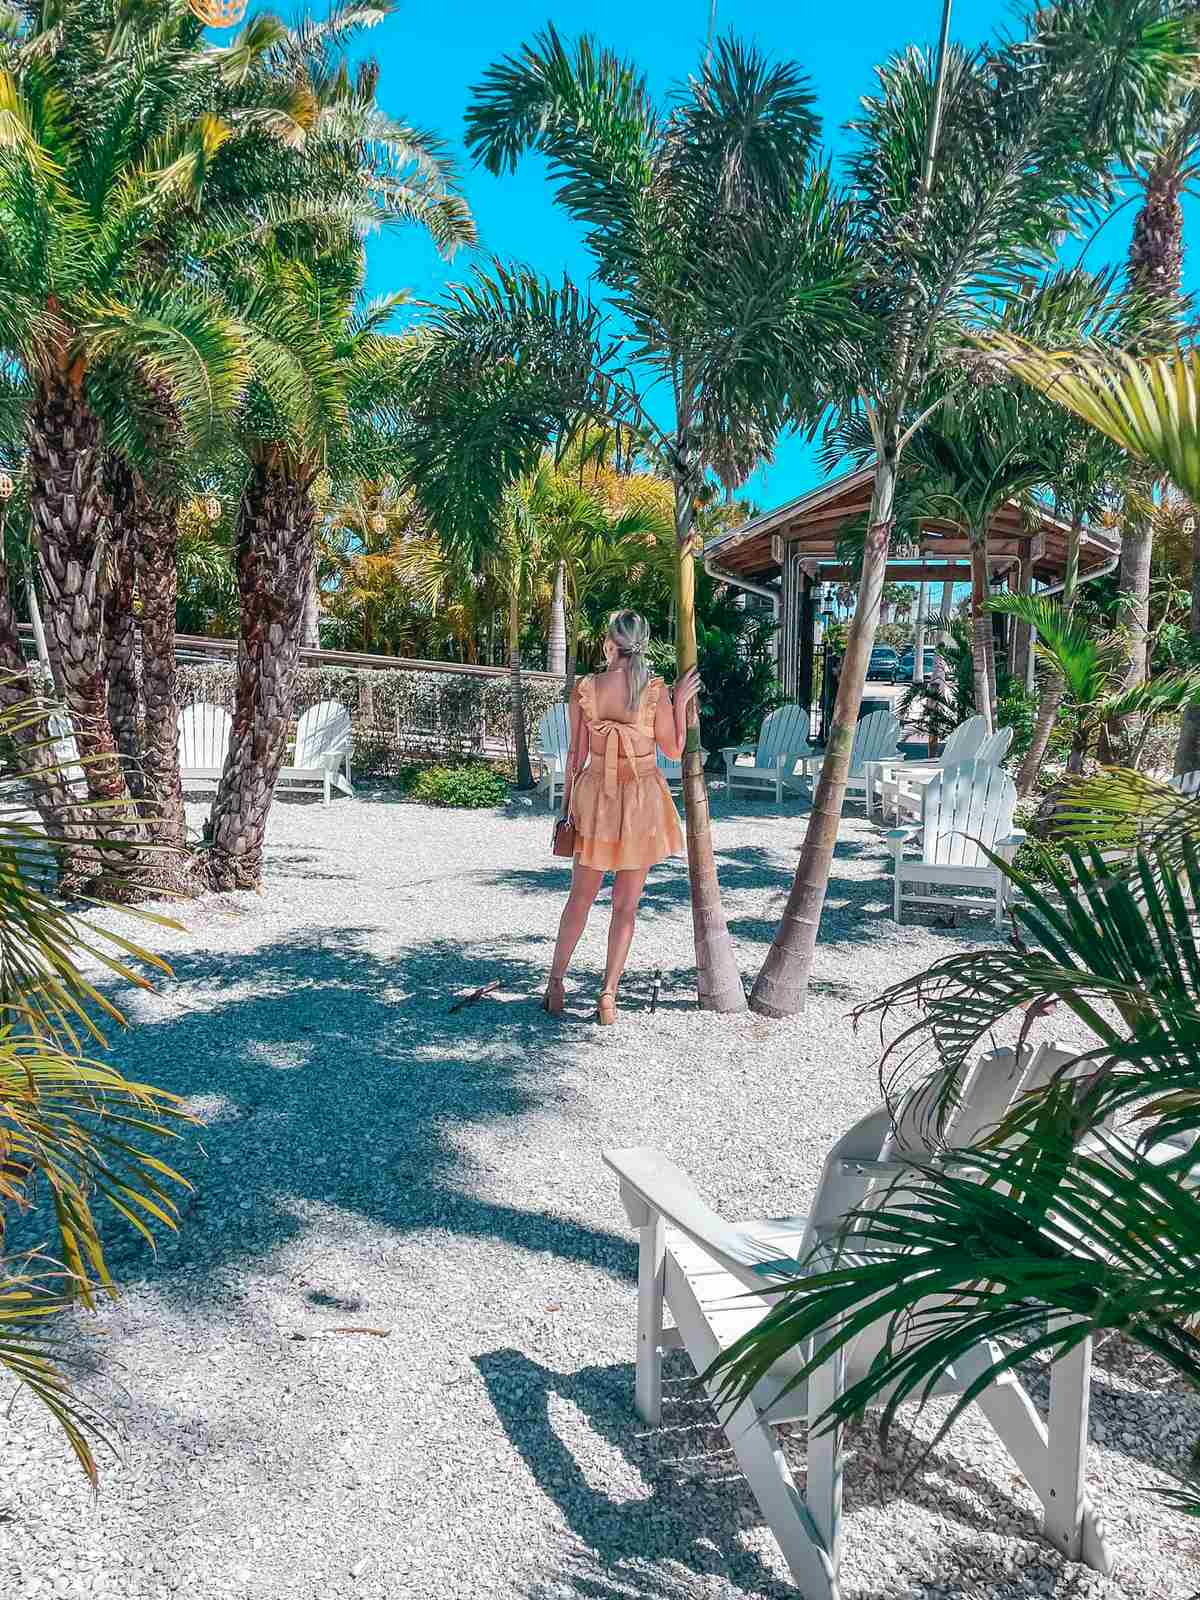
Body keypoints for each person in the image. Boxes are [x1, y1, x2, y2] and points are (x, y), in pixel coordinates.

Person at [543, 610, 700, 1025]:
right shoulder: (654, 692)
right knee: (625, 907)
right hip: (641, 800)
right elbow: (673, 750)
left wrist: (567, 808)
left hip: (596, 797)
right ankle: (608, 997)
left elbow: (575, 757)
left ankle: (556, 984)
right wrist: (681, 701)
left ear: (609, 643)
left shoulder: (585, 688)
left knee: (580, 897)